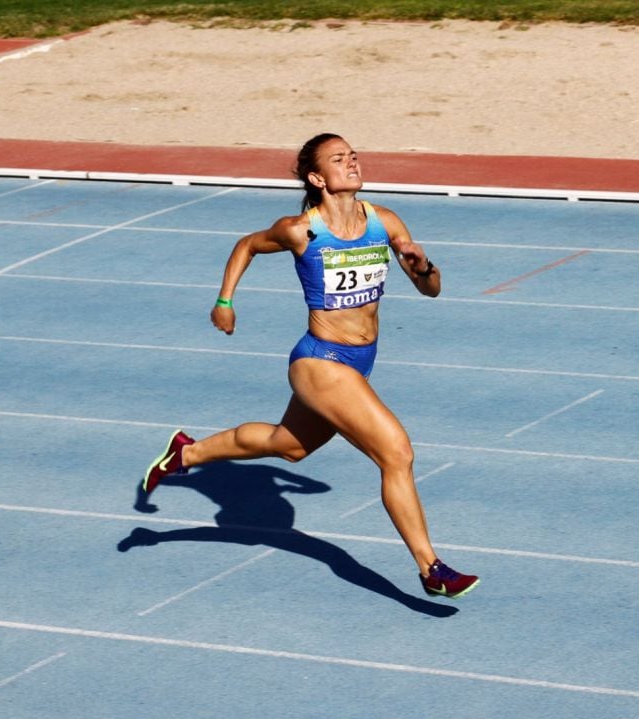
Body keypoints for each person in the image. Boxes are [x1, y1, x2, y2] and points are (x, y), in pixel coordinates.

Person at [140, 133, 479, 600]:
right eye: (340, 159)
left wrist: (423, 267)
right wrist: (224, 301)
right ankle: (431, 567)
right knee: (396, 452)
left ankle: (186, 454)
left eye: (354, 155)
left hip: (360, 362)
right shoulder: (302, 230)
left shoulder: (384, 222)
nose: (352, 162)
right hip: (319, 362)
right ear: (318, 178)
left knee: (289, 447)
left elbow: (432, 289)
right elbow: (246, 245)